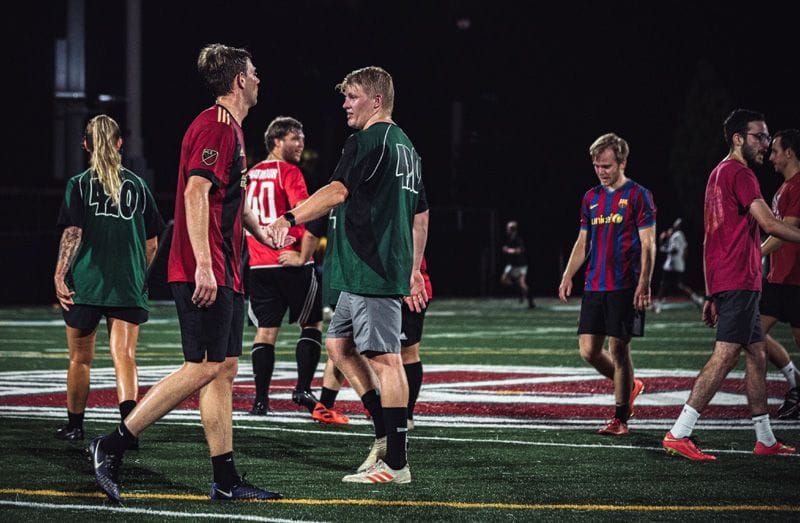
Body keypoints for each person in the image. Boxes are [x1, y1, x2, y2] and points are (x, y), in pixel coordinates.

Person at [89, 43, 286, 501]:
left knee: (224, 368)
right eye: (254, 72)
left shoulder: (232, 129)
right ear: (239, 80)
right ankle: (112, 443)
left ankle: (226, 480)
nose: (259, 79)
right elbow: (196, 193)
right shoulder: (216, 126)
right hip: (206, 267)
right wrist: (204, 266)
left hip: (227, 267)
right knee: (203, 366)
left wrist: (263, 232)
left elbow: (231, 197)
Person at [266, 66, 429, 484]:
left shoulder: (368, 140)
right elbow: (421, 215)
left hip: (371, 268)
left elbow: (337, 190)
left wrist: (289, 217)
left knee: (387, 361)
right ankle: (384, 436)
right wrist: (413, 269)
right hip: (367, 268)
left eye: (352, 96)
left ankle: (396, 463)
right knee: (338, 345)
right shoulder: (407, 147)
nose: (345, 104)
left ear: (377, 100)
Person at [662, 109, 800, 460]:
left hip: (733, 279)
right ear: (738, 138)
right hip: (739, 278)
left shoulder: (718, 173)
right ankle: (680, 432)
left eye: (767, 137)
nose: (765, 143)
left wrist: (711, 292)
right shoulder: (741, 173)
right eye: (759, 136)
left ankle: (765, 439)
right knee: (725, 354)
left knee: (757, 353)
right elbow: (769, 224)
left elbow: (710, 238)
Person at [53, 114, 164, 443]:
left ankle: (75, 426)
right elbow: (152, 243)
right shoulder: (138, 185)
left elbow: (73, 232)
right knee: (125, 356)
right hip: (126, 282)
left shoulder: (79, 184)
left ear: (85, 144)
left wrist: (60, 274)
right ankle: (129, 429)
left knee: (80, 359)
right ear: (119, 143)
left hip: (86, 282)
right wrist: (139, 273)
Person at [244, 116, 345, 423]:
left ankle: (260, 401)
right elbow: (306, 212)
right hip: (290, 261)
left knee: (265, 332)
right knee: (311, 325)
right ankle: (302, 389)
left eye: (302, 138)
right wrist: (302, 256)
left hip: (258, 264)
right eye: (294, 138)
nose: (301, 144)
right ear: (276, 141)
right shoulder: (288, 171)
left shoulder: (249, 174)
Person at [558, 132, 654, 436]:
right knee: (589, 350)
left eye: (607, 166)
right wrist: (568, 274)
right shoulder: (591, 198)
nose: (601, 171)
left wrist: (644, 282)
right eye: (597, 166)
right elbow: (583, 241)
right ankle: (630, 386)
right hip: (594, 285)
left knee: (618, 348)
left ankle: (620, 418)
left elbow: (648, 243)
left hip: (625, 285)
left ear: (622, 163)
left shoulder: (639, 195)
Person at [319, 255, 433, 430]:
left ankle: (399, 422)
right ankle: (379, 418)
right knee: (340, 344)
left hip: (390, 282)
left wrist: (414, 271)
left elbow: (417, 235)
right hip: (360, 281)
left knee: (395, 356)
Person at [760, 129, 800, 419]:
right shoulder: (784, 187)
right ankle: (795, 382)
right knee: (751, 332)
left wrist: (755, 253)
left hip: (797, 278)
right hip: (778, 279)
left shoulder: (798, 186)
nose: (771, 157)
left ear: (789, 152)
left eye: (775, 151)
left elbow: (787, 230)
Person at [653, 217, 703, 312]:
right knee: (672, 285)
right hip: (676, 264)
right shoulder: (680, 235)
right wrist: (681, 260)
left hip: (672, 264)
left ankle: (658, 303)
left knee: (666, 284)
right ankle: (696, 298)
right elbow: (685, 250)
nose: (675, 224)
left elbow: (674, 250)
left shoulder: (676, 235)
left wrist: (662, 244)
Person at [500, 221, 534, 308]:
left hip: (520, 265)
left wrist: (508, 250)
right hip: (512, 264)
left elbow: (519, 250)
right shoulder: (508, 238)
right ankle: (520, 292)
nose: (507, 230)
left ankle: (530, 300)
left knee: (522, 283)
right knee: (504, 280)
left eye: (508, 228)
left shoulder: (518, 239)